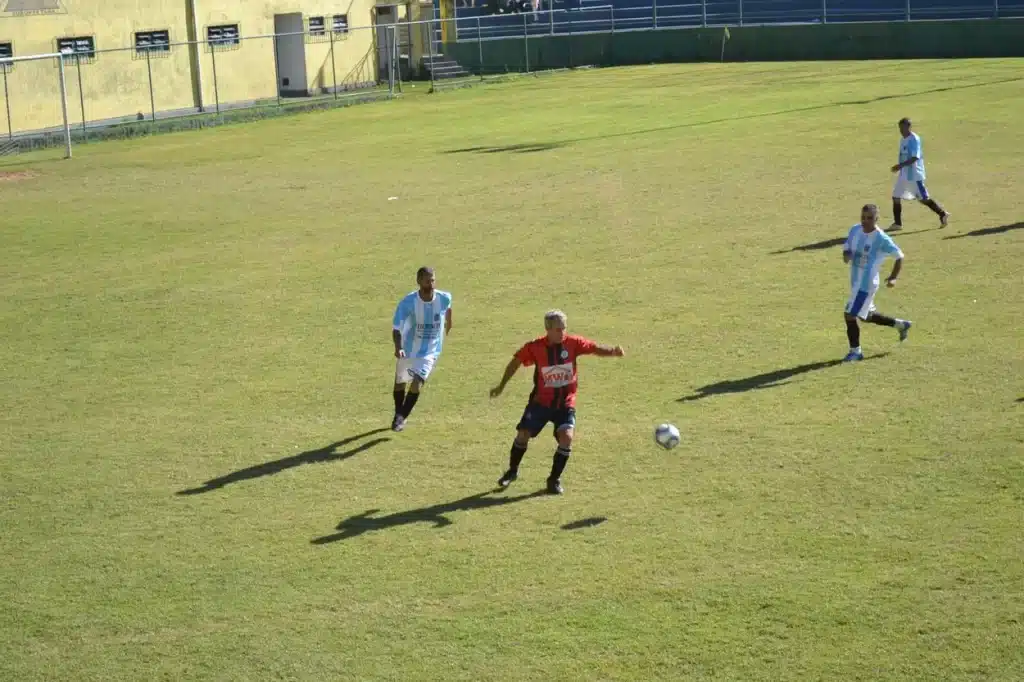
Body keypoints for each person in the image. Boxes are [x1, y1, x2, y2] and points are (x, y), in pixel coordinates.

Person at [489, 310, 624, 495]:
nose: (562, 333)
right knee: (523, 434)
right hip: (540, 403)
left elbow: (593, 348)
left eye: (564, 328)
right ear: (548, 329)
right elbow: (516, 362)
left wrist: (612, 352)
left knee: (566, 437)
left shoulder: (573, 343)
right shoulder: (535, 347)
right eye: (558, 329)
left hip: (565, 404)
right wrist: (502, 385)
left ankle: (554, 480)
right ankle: (512, 472)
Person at [843, 204, 912, 362]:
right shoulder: (855, 229)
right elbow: (847, 245)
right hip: (855, 281)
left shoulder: (882, 239)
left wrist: (893, 277)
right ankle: (900, 325)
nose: (865, 221)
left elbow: (899, 256)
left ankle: (856, 352)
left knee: (849, 315)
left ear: (876, 219)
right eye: (863, 217)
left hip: (866, 284)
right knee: (866, 316)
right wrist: (846, 254)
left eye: (869, 218)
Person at [391, 267, 452, 432]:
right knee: (400, 384)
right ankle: (398, 413)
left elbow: (448, 310)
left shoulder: (444, 298)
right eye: (427, 280)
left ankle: (401, 417)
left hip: (430, 352)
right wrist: (399, 348)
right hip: (408, 349)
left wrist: (449, 324)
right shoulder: (408, 302)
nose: (431, 284)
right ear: (418, 281)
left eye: (433, 280)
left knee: (417, 383)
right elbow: (396, 328)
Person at [890, 117, 949, 230]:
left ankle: (942, 214)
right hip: (904, 174)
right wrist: (900, 168)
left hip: (914, 175)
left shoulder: (914, 139)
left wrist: (899, 166)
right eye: (900, 128)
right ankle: (897, 224)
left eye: (903, 128)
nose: (901, 130)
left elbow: (915, 158)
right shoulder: (903, 139)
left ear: (909, 127)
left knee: (923, 199)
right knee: (896, 196)